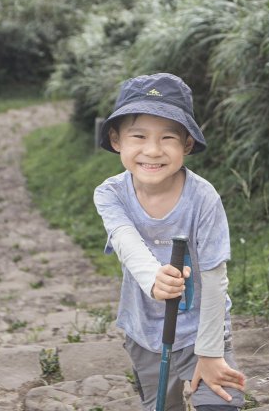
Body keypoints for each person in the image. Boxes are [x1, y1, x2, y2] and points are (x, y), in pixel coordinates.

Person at [93, 72, 247, 411]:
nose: (152, 150)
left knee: (221, 403)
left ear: (187, 144)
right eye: (138, 136)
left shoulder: (203, 198)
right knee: (162, 406)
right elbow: (125, 240)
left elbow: (213, 276)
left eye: (167, 137)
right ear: (117, 140)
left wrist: (209, 352)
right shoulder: (110, 194)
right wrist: (154, 279)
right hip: (144, 331)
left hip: (201, 333)